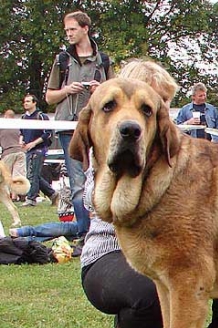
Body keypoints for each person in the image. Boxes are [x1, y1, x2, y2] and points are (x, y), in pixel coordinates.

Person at [81, 59, 218, 328]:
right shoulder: (105, 142)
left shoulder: (171, 150)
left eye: (157, 108)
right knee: (162, 282)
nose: (157, 117)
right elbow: (89, 200)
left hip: (164, 249)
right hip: (108, 256)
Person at [46, 10, 115, 239]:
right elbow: (49, 97)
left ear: (85, 28)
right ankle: (85, 234)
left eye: (72, 29)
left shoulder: (103, 60)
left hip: (98, 129)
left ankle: (104, 229)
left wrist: (100, 90)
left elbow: (118, 97)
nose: (68, 34)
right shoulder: (62, 60)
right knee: (77, 183)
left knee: (101, 177)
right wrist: (67, 90)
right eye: (66, 30)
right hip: (68, 128)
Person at [19, 94, 57, 207]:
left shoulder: (41, 116)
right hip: (28, 149)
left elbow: (48, 133)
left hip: (39, 149)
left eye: (28, 101)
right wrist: (21, 140)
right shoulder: (23, 118)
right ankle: (53, 194)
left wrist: (34, 143)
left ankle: (31, 199)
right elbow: (21, 132)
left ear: (34, 103)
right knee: (34, 174)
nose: (25, 103)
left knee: (33, 174)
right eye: (24, 101)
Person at [0, 110, 27, 189]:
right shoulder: (19, 126)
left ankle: (7, 195)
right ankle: (17, 195)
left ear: (5, 116)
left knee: (6, 176)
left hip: (8, 152)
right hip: (21, 152)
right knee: (18, 175)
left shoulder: (2, 127)